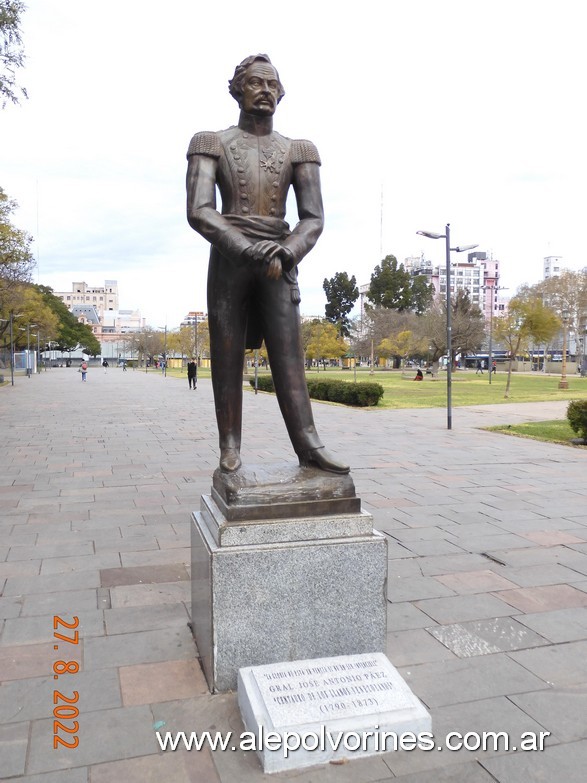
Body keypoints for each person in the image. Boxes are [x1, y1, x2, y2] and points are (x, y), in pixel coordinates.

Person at [186, 54, 349, 475]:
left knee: (288, 354)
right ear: (237, 89)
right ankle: (229, 445)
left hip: (279, 260)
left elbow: (313, 217)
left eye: (272, 85)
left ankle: (308, 444)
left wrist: (288, 250)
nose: (265, 91)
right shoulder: (211, 142)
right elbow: (200, 210)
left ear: (281, 93)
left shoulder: (299, 151)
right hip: (230, 258)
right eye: (255, 83)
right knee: (226, 355)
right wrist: (242, 248)